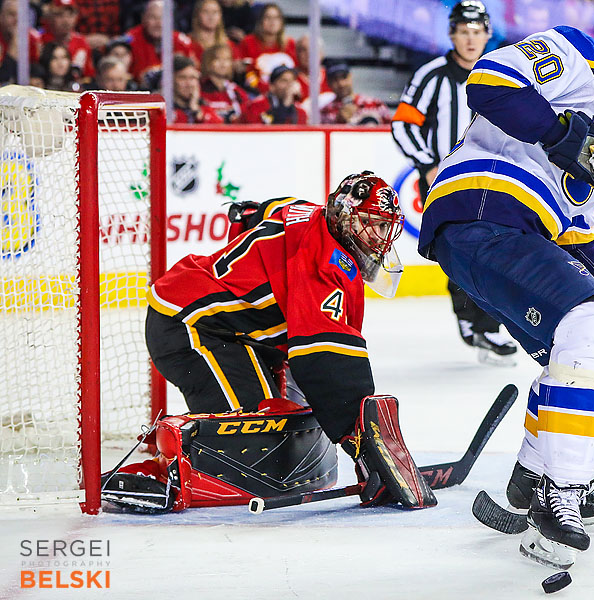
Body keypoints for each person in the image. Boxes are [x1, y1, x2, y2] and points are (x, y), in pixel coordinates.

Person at [418, 8, 594, 566]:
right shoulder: (576, 52)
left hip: (507, 231)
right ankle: (559, 497)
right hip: (482, 207)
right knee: (590, 327)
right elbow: (489, 82)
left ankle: (533, 478)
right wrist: (559, 130)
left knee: (580, 342)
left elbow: (571, 228)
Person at [129, 172, 436, 512]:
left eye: (385, 226)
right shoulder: (324, 265)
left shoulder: (316, 213)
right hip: (188, 325)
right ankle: (163, 468)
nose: (380, 237)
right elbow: (325, 358)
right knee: (256, 440)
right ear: (347, 218)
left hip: (236, 332)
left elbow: (273, 208)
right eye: (371, 224)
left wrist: (249, 216)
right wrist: (362, 442)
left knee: (282, 421)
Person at [392, 1, 518, 365]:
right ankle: (472, 320)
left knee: (498, 246)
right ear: (452, 34)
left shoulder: (503, 71)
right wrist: (429, 163)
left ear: (487, 34)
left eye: (477, 31)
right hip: (444, 179)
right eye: (464, 31)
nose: (470, 38)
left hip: (493, 177)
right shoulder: (432, 75)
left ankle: (486, 324)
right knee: (461, 248)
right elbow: (403, 123)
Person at [124, 0, 197, 87]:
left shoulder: (182, 42)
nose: (159, 24)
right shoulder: (129, 42)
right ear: (143, 18)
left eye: (163, 18)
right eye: (153, 17)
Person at [239, 3, 296, 94]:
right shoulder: (248, 42)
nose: (272, 22)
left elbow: (295, 73)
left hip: (286, 92)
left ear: (281, 22)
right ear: (261, 21)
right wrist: (266, 89)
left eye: (276, 18)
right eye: (268, 17)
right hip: (256, 91)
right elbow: (248, 73)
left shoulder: (290, 44)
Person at [319, 61, 392, 125]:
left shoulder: (376, 105)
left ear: (350, 76)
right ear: (328, 83)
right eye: (335, 80)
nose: (341, 84)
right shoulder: (325, 112)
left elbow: (390, 132)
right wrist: (338, 121)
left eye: (344, 77)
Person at [39, 0, 94, 80]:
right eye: (60, 15)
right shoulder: (40, 41)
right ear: (50, 17)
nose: (66, 21)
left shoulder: (81, 43)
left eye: (70, 15)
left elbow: (88, 76)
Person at [199, 44, 249, 124]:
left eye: (227, 59)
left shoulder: (237, 92)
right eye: (218, 59)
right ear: (208, 62)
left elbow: (246, 116)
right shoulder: (199, 89)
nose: (223, 64)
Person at [171, 54, 223, 124]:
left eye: (192, 78)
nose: (188, 84)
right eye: (182, 78)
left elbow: (218, 127)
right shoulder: (165, 109)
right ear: (171, 80)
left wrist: (195, 109)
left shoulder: (203, 106)